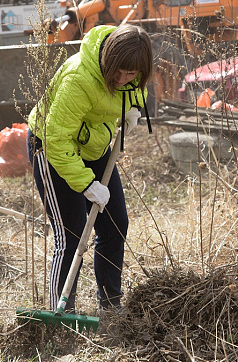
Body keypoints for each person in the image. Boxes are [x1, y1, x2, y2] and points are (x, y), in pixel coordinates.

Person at [28, 23, 152, 312]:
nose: (121, 79)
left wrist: (134, 109)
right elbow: (56, 138)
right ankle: (62, 313)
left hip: (93, 146)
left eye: (130, 74)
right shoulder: (79, 78)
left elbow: (136, 91)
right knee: (71, 235)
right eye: (116, 72)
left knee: (115, 224)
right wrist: (85, 183)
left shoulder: (134, 74)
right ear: (107, 59)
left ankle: (110, 304)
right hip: (51, 148)